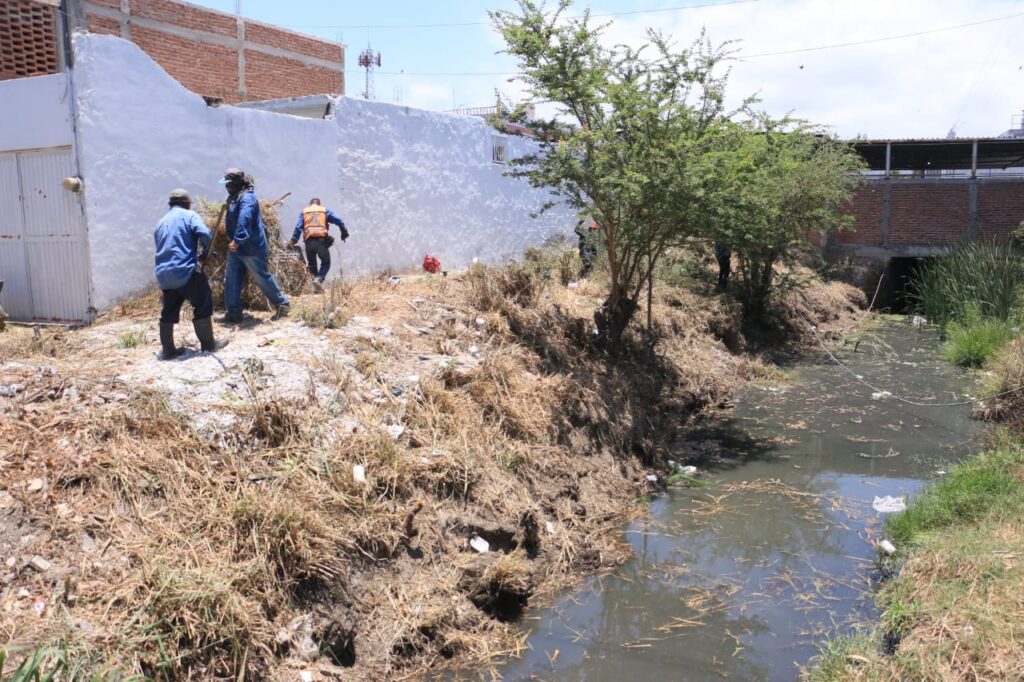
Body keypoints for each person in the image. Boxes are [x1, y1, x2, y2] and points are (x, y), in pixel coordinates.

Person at [153, 188, 228, 359]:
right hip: (185, 270)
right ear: (187, 204)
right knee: (203, 300)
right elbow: (205, 233)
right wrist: (208, 253)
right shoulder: (189, 215)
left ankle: (168, 350)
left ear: (170, 204)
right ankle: (209, 344)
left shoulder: (160, 223)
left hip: (164, 274)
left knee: (169, 309)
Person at [219, 168, 291, 322]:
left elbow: (244, 220)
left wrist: (237, 239)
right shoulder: (233, 198)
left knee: (261, 277)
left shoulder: (247, 199)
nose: (226, 187)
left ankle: (283, 305)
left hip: (251, 247)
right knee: (231, 279)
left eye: (229, 184)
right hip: (236, 248)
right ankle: (233, 313)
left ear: (237, 183)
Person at [288, 197, 348, 289]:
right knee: (326, 262)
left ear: (310, 204)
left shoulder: (304, 212)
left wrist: (293, 240)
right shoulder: (323, 210)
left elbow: (298, 227)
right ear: (319, 204)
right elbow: (339, 220)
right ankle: (319, 280)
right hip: (321, 241)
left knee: (312, 265)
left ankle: (315, 287)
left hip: (309, 242)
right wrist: (344, 232)